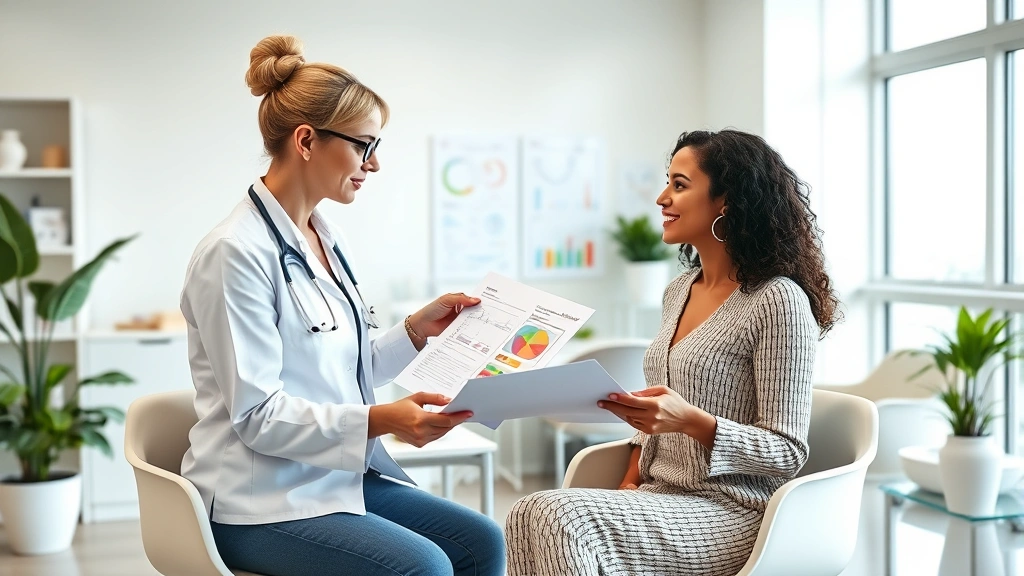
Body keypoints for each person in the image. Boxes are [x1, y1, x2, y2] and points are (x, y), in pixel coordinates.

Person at [179, 34, 505, 576]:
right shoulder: (233, 253)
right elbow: (258, 416)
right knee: (423, 567)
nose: (373, 165)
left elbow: (338, 371)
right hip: (260, 501)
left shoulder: (324, 237)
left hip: (334, 479)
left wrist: (416, 332)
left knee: (482, 541)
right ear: (306, 140)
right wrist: (382, 420)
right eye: (364, 146)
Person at [505, 129, 841, 576]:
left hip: (735, 512)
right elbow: (655, 416)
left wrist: (692, 422)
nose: (662, 197)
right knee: (524, 514)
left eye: (680, 185)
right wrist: (628, 482)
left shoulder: (777, 300)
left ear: (727, 201)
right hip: (660, 497)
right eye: (668, 182)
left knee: (560, 519)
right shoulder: (679, 290)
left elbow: (786, 451)